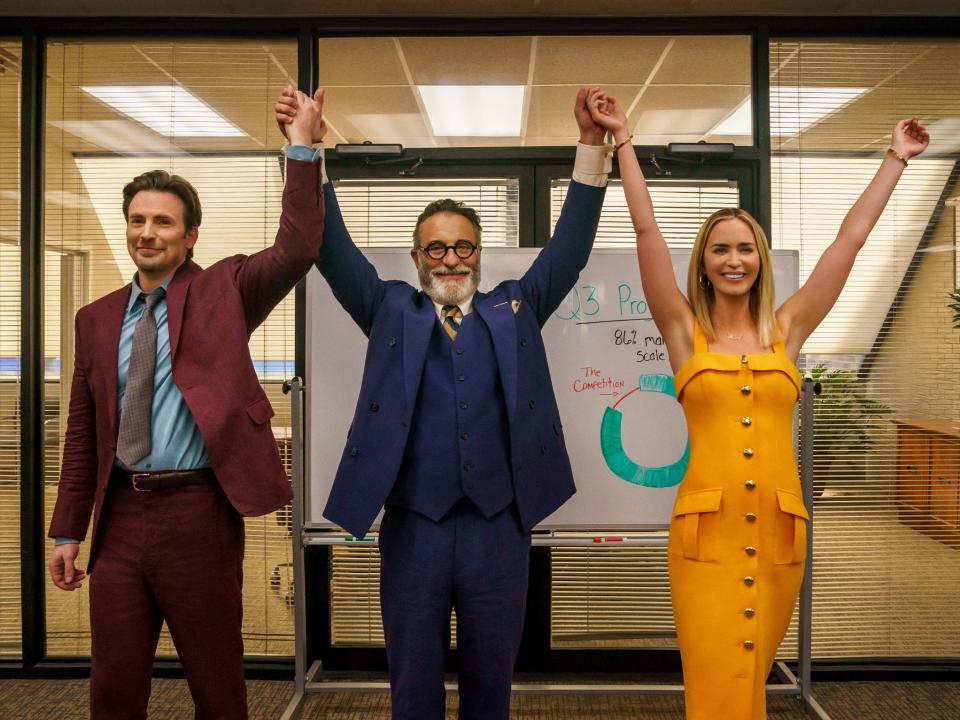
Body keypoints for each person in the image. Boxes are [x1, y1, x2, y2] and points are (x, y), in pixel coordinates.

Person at [586, 88, 928, 720]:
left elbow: (847, 246)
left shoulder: (787, 331)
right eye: (721, 249)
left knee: (752, 683)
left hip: (778, 535)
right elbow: (646, 230)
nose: (734, 259)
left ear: (760, 260)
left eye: (745, 248)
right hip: (705, 541)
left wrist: (895, 159)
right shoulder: (683, 331)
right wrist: (622, 140)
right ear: (705, 265)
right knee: (716, 683)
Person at [275, 86, 609, 719]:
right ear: (416, 256)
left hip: (498, 530)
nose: (451, 258)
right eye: (436, 247)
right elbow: (330, 246)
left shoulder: (516, 308)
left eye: (464, 247)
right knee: (413, 688)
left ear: (479, 254)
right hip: (414, 530)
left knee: (492, 688)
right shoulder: (387, 308)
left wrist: (591, 148)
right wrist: (306, 149)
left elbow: (570, 248)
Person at [46, 88, 327, 720]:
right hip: (118, 519)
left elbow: (299, 247)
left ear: (190, 234)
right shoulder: (94, 320)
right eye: (137, 220)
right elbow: (83, 435)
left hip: (198, 514)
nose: (147, 233)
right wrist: (69, 530)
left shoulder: (225, 290)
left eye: (163, 222)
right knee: (113, 690)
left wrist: (302, 148)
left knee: (217, 686)